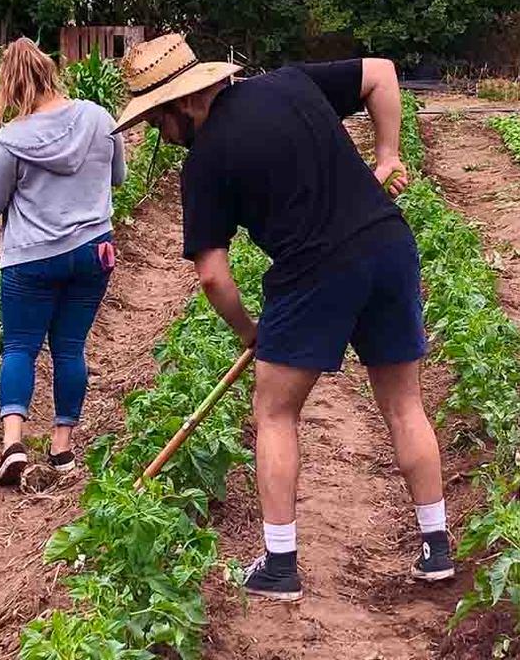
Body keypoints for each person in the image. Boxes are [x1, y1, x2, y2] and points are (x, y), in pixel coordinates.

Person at [113, 33, 453, 601]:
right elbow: (382, 73)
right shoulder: (292, 82)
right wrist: (389, 153)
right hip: (388, 244)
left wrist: (251, 332)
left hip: (314, 269)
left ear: (185, 103)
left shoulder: (205, 163)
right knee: (403, 403)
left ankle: (279, 563)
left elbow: (213, 276)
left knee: (274, 410)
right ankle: (435, 546)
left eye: (156, 121)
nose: (159, 135)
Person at [0, 37, 126, 486]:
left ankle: (13, 444)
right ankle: (62, 450)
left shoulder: (10, 140)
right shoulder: (100, 118)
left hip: (31, 259)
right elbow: (117, 176)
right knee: (69, 348)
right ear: (49, 72)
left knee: (20, 347)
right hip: (92, 252)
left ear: (12, 86)